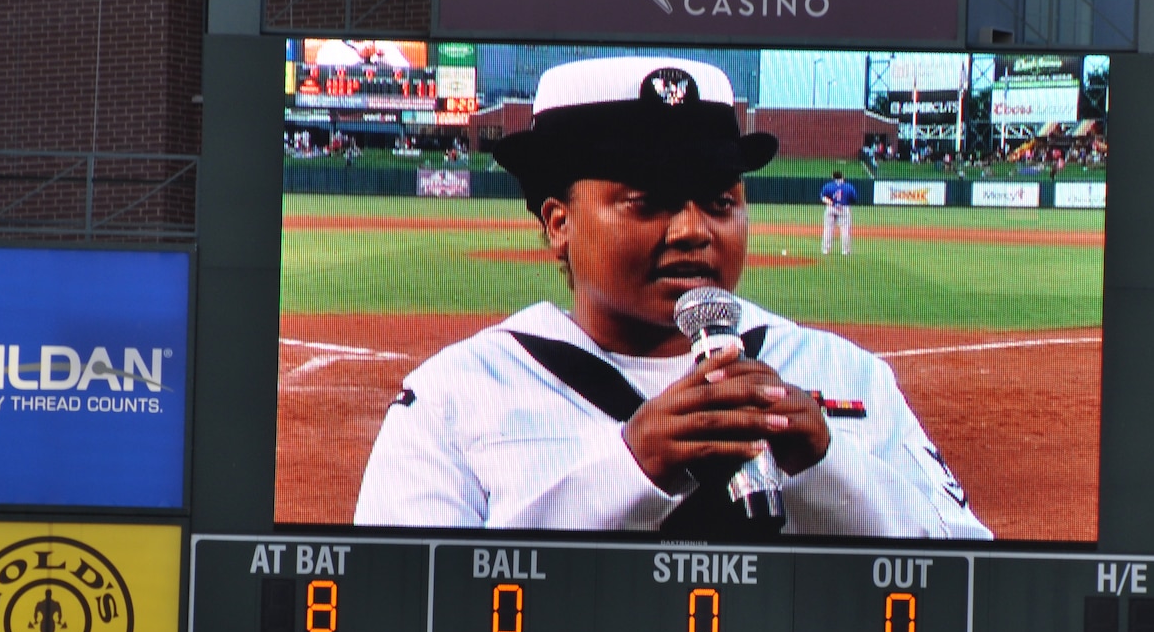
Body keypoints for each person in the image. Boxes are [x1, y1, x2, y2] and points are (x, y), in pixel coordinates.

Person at [353, 55, 989, 539]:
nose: (692, 230)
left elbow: (976, 590)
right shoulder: (453, 397)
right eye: (648, 201)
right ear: (558, 224)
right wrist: (629, 473)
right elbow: (403, 614)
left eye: (719, 203)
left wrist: (827, 468)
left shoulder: (845, 375)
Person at [819, 168, 858, 256]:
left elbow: (823, 197)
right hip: (844, 208)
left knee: (828, 229)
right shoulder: (848, 186)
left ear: (833, 177)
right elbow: (854, 198)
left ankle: (825, 250)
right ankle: (845, 251)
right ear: (842, 177)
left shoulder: (828, 186)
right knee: (845, 230)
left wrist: (832, 203)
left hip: (830, 208)